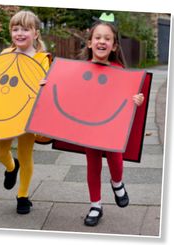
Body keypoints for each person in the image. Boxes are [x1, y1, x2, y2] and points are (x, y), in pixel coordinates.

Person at [80, 18, 144, 226]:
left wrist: (138, 100)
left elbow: (130, 97)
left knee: (115, 159)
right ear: (90, 42)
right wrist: (50, 83)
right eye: (97, 37)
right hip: (89, 127)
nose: (102, 41)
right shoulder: (80, 70)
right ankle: (95, 205)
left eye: (107, 38)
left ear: (114, 45)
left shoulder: (119, 70)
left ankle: (117, 183)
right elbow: (69, 92)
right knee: (93, 165)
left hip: (112, 127)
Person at [0, 10, 51, 215]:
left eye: (25, 29)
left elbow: (46, 85)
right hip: (6, 114)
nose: (19, 33)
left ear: (35, 34)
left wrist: (46, 84)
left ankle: (23, 195)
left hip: (28, 115)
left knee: (25, 155)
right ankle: (11, 168)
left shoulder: (42, 58)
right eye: (15, 29)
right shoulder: (4, 54)